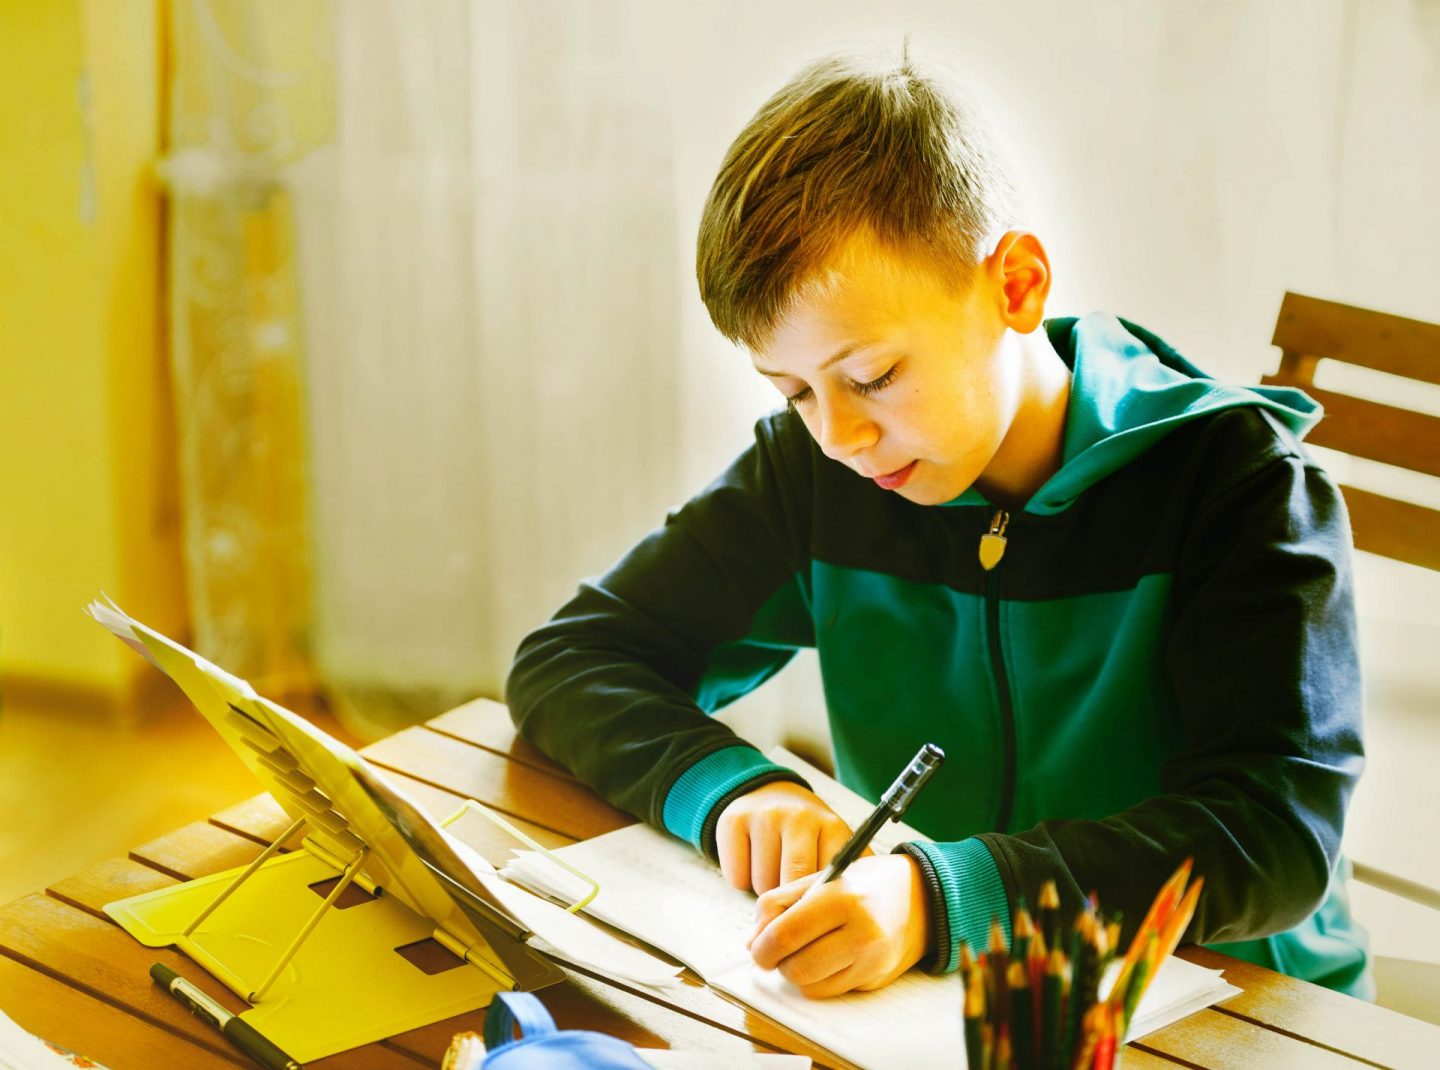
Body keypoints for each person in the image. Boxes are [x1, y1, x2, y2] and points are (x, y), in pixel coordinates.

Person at [505, 47, 1371, 1000]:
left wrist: (942, 898)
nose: (839, 436)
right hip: (933, 1002)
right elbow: (573, 659)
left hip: (1216, 1002)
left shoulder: (1235, 485)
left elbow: (1276, 835)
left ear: (1016, 286)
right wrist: (732, 788)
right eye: (794, 391)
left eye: (872, 376)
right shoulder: (821, 475)